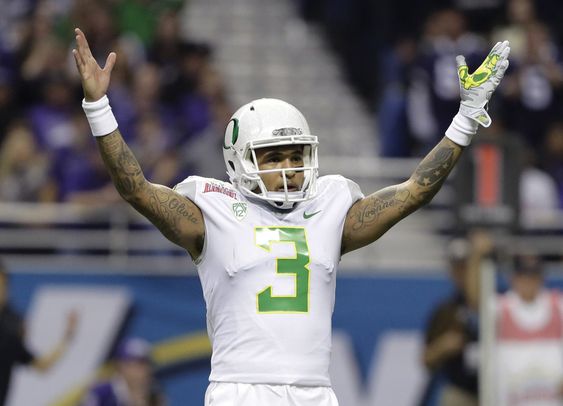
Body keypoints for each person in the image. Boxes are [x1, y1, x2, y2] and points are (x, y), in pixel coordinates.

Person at [72, 27, 510, 406]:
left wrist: (466, 119)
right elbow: (136, 188)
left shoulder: (330, 205)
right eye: (273, 157)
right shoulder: (212, 210)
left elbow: (415, 190)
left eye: (296, 155)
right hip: (240, 390)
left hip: (315, 391)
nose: (288, 168)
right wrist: (99, 108)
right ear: (240, 162)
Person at [420, 233, 492, 406]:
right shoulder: (445, 310)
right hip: (461, 390)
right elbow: (425, 359)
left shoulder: (497, 300)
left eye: (466, 266)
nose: (461, 273)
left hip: (496, 387)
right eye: (457, 267)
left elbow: (475, 302)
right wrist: (443, 346)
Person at [0, 259, 77, 406]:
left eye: (4, 284)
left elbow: (43, 365)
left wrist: (68, 337)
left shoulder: (10, 333)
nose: (2, 290)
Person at [496, 254, 563, 406]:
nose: (528, 281)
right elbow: (473, 299)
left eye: (533, 275)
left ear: (541, 278)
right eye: (523, 275)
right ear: (512, 278)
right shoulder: (499, 308)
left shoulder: (559, 306)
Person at [82, 337, 165, 406]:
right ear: (122, 366)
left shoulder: (153, 395)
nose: (146, 370)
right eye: (140, 364)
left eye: (148, 364)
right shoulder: (103, 393)